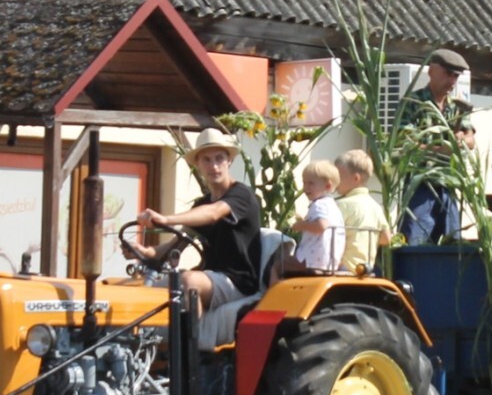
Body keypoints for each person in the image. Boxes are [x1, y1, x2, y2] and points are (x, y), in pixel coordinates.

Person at [127, 128, 262, 317]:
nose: (214, 166)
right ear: (197, 164)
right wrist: (144, 252)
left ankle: (193, 344)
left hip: (238, 282)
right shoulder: (201, 205)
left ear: (229, 161)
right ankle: (151, 344)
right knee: (146, 290)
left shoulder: (241, 194)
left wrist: (166, 219)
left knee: (190, 281)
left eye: (219, 158)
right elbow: (177, 244)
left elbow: (214, 213)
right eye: (206, 160)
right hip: (210, 276)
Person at [397, 48, 474, 246]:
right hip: (420, 184)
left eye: (456, 76)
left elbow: (471, 138)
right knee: (415, 242)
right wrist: (441, 149)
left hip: (449, 185)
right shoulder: (412, 102)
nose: (451, 81)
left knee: (452, 246)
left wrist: (462, 140)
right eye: (447, 74)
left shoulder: (456, 106)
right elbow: (405, 142)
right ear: (431, 70)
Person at [334, 149, 389, 273]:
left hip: (341, 266)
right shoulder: (375, 206)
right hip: (365, 269)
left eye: (338, 177)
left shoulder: (340, 205)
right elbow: (386, 238)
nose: (334, 181)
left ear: (356, 178)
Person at [289, 160, 346, 272]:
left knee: (277, 266)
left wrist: (301, 225)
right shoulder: (333, 206)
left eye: (311, 183)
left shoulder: (319, 204)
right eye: (304, 183)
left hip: (312, 261)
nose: (305, 187)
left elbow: (321, 226)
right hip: (329, 261)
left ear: (328, 186)